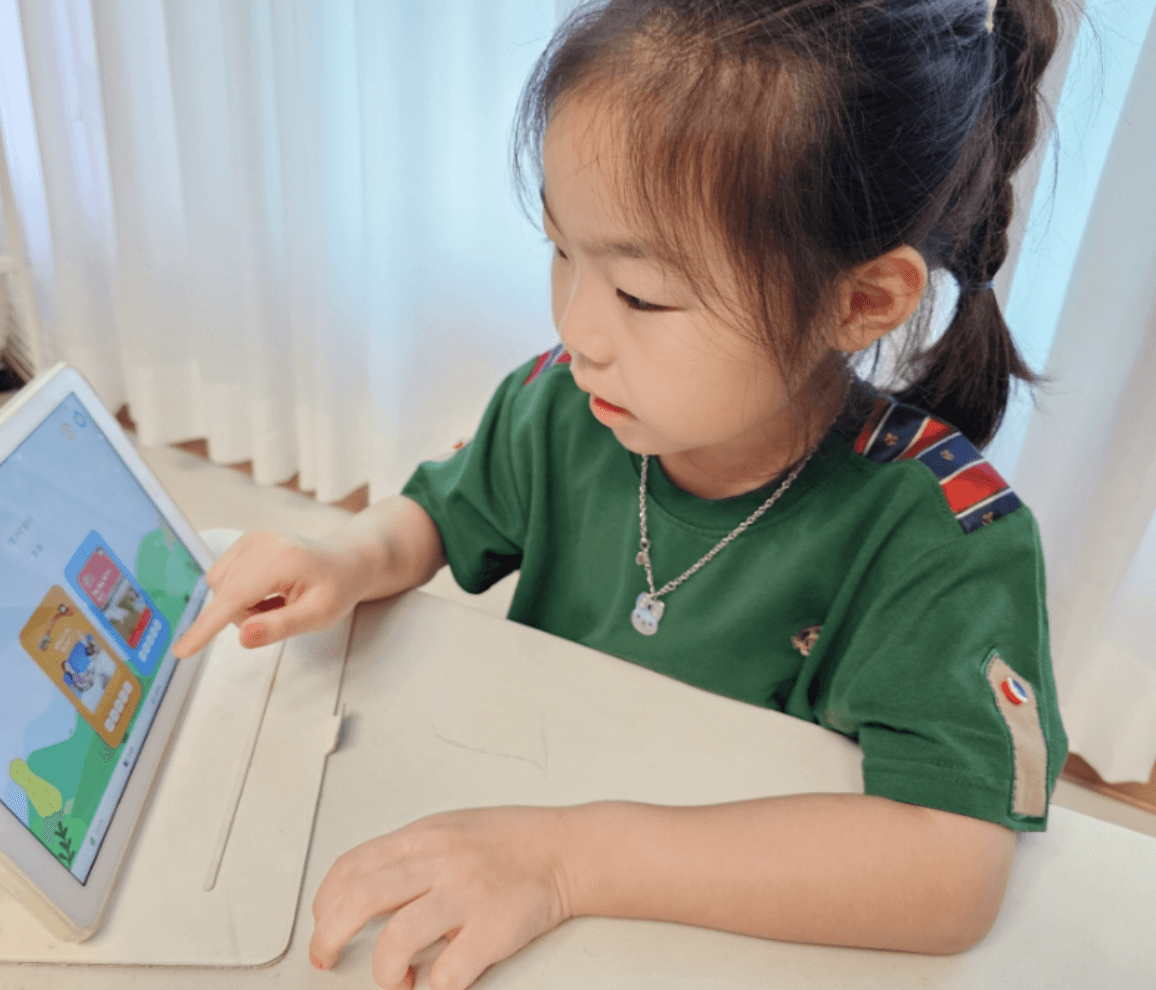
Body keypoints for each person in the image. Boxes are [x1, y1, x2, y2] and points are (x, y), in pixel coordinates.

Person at [172, 1, 1069, 986]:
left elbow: (950, 871)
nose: (577, 328)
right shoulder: (562, 406)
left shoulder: (945, 538)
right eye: (561, 250)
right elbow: (438, 514)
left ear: (859, 301)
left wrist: (567, 862)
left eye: (641, 295)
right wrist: (345, 557)